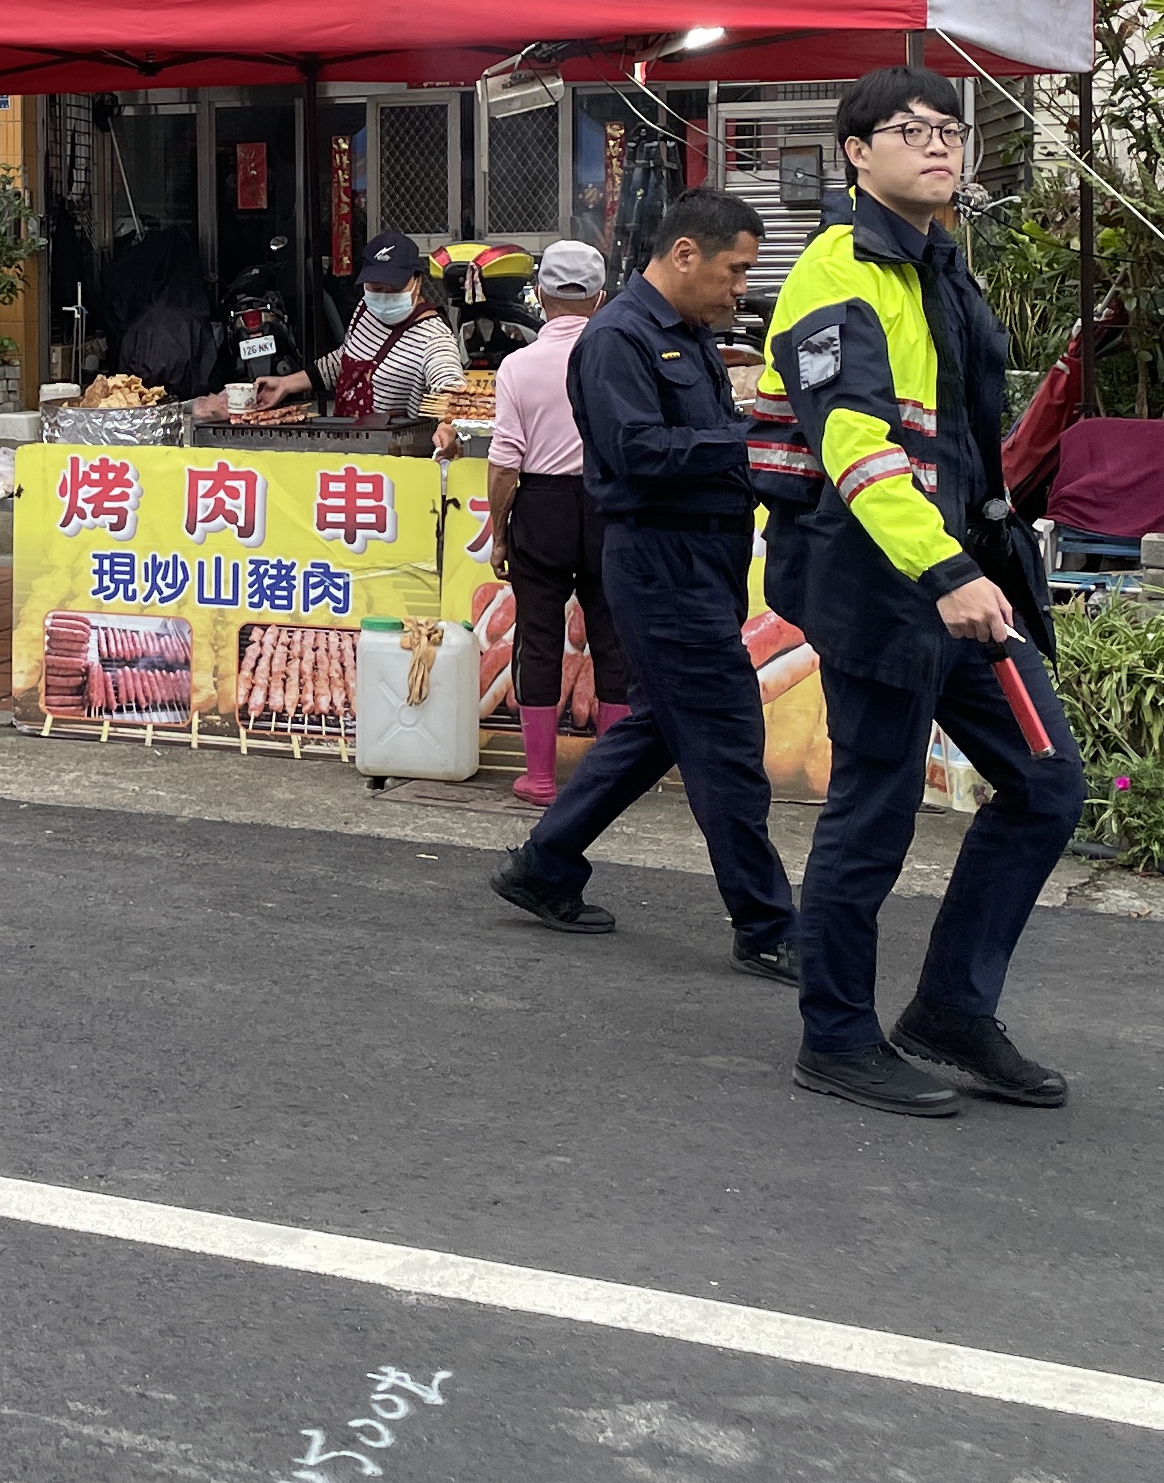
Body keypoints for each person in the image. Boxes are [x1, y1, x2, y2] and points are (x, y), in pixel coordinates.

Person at [766, 66, 1088, 1119]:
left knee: (1048, 785)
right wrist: (943, 571)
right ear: (857, 152)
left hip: (963, 581)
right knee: (875, 811)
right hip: (879, 583)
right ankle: (836, 1038)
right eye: (912, 131)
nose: (940, 146)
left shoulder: (939, 263)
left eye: (951, 130)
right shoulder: (839, 273)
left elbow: (959, 442)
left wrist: (975, 566)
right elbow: (853, 442)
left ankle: (951, 1011)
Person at [486, 187, 801, 965]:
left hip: (704, 559)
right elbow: (638, 453)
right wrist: (749, 445)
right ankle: (768, 926)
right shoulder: (618, 339)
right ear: (685, 253)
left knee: (659, 727)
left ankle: (544, 864)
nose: (740, 290)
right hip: (660, 560)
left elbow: (704, 435)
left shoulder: (688, 333)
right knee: (727, 738)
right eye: (735, 271)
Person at [483, 239, 636, 804]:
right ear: (601, 298)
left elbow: (505, 462)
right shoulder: (622, 359)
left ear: (540, 295)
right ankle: (612, 781)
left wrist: (500, 535)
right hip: (609, 504)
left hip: (541, 507)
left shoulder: (518, 366)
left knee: (538, 637)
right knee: (613, 638)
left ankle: (541, 777)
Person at [206, 231, 467, 430]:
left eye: (394, 289)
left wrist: (447, 426)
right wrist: (286, 385)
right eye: (375, 288)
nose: (383, 296)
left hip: (396, 456)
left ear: (417, 282)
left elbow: (450, 388)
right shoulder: (367, 309)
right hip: (348, 440)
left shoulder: (433, 336)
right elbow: (345, 359)